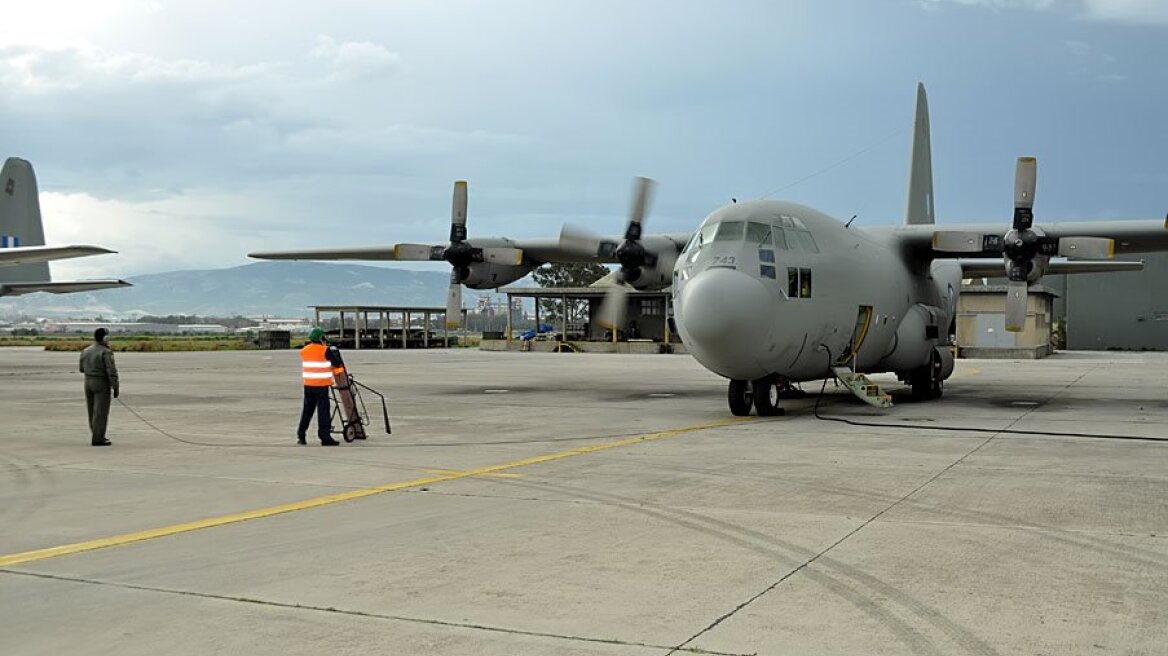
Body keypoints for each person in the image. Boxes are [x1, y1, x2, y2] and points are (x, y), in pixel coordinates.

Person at [297, 327, 342, 446]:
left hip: (308, 384)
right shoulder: (324, 350)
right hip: (321, 385)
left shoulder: (304, 350)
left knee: (307, 411)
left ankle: (301, 435)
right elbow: (337, 363)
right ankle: (325, 437)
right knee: (323, 411)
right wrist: (338, 372)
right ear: (321, 338)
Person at [79, 328, 119, 446]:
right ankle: (98, 438)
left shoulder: (86, 350)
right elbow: (111, 370)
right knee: (101, 412)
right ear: (105, 338)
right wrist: (115, 386)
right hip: (101, 382)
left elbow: (81, 369)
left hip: (88, 381)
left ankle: (95, 434)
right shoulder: (106, 352)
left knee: (91, 411)